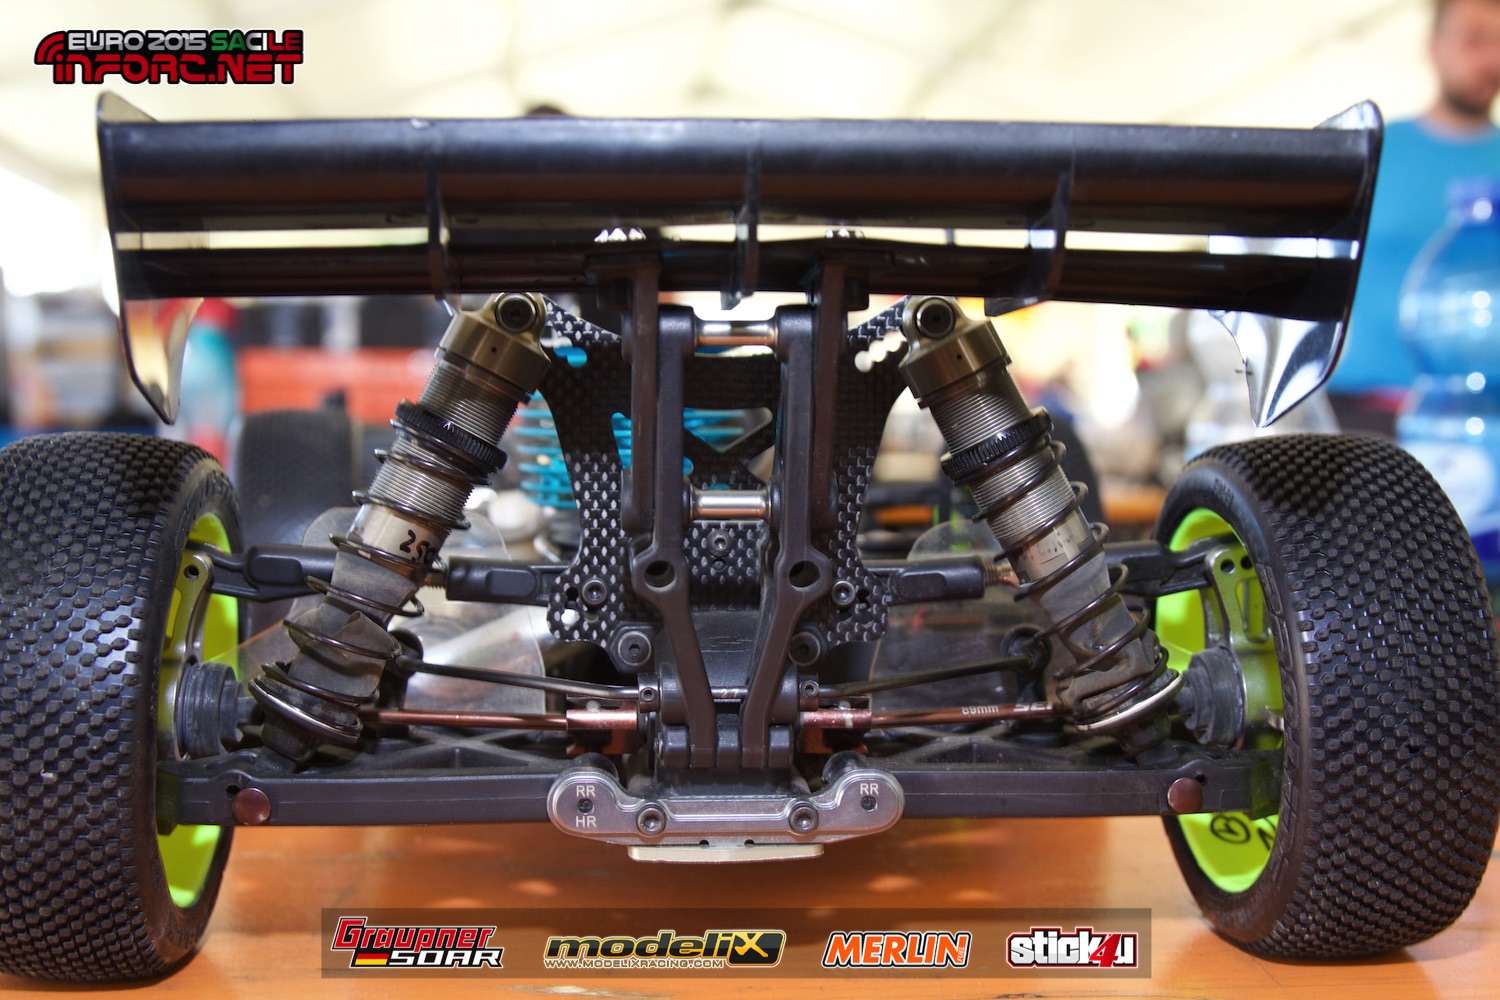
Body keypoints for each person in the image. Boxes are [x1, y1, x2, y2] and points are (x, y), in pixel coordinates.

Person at [1328, 0, 1500, 434]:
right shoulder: (1371, 151)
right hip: (1364, 415)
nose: (1492, 59)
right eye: (1475, 41)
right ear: (1435, 47)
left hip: (1484, 423)